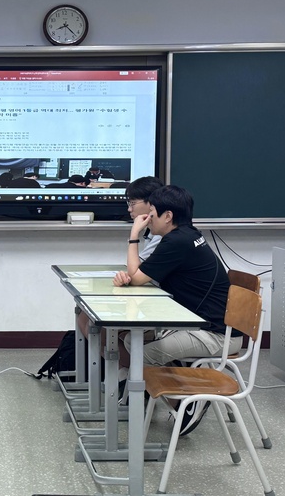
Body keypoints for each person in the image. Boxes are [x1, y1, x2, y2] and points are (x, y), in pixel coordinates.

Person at [113, 185, 240, 435]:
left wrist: (134, 234)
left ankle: (186, 404)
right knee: (131, 341)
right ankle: (177, 390)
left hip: (215, 335)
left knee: (142, 354)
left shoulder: (176, 242)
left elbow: (136, 277)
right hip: (200, 324)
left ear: (168, 216)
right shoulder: (186, 235)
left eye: (151, 214)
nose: (148, 220)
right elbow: (140, 275)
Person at [75, 176, 164, 375]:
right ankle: (127, 374)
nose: (129, 210)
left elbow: (135, 274)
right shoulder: (152, 233)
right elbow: (137, 271)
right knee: (86, 317)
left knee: (100, 327)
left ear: (152, 204)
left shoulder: (165, 237)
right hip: (151, 298)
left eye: (133, 203)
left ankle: (140, 377)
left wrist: (133, 235)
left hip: (165, 307)